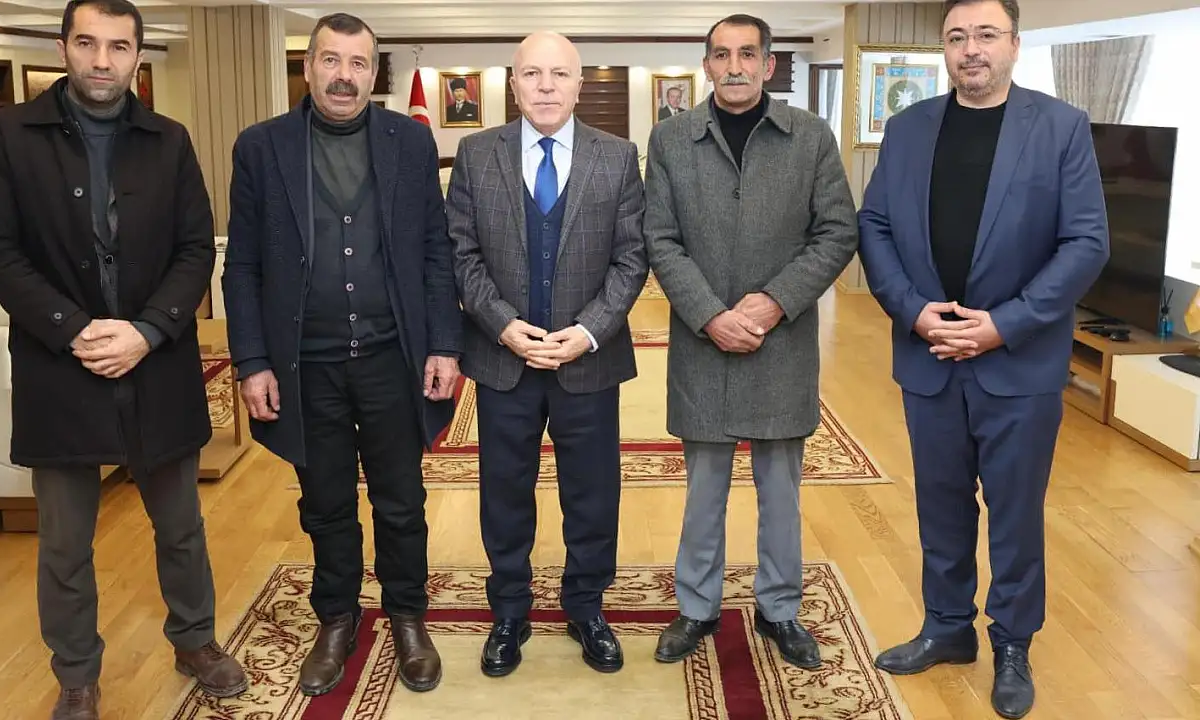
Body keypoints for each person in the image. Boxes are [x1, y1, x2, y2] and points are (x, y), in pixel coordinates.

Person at [0, 1, 246, 717]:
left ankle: (195, 639)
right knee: (65, 541)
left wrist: (148, 331)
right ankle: (77, 676)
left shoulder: (169, 139)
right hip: (60, 366)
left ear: (137, 56)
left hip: (157, 363)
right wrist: (74, 329)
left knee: (180, 525)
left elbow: (195, 249)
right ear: (63, 47)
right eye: (87, 43)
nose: (102, 60)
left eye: (118, 46)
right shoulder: (8, 135)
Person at [856, 1, 1109, 717]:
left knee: (1014, 511)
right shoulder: (908, 128)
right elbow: (874, 224)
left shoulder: (1060, 128)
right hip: (930, 352)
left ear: (1015, 45)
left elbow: (1086, 242)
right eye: (957, 36)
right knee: (938, 502)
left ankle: (1013, 643)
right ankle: (947, 628)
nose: (971, 49)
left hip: (1018, 362)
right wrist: (912, 310)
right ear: (944, 48)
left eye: (987, 35)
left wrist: (1005, 325)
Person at [222, 12, 462, 696]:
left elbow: (435, 250)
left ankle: (407, 615)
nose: (344, 76)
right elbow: (242, 265)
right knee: (325, 502)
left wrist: (445, 342)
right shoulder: (261, 147)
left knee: (401, 500)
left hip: (391, 357)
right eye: (331, 60)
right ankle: (336, 619)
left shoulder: (409, 143)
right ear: (308, 67)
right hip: (306, 363)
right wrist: (252, 360)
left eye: (359, 63)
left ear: (374, 72)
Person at [644, 14, 858, 670]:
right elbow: (659, 238)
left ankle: (780, 610)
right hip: (703, 345)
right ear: (706, 65)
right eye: (721, 55)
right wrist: (710, 314)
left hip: (781, 345)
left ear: (768, 65)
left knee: (781, 491)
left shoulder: (810, 137)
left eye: (747, 54)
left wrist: (774, 302)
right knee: (703, 490)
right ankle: (696, 607)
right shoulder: (671, 139)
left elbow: (837, 231)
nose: (733, 66)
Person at [446, 31, 647, 677]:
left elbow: (631, 259)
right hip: (504, 361)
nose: (546, 86)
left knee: (593, 495)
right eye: (532, 74)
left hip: (588, 360)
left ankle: (586, 607)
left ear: (579, 84)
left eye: (559, 74)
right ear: (514, 84)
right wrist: (502, 325)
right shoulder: (476, 155)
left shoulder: (618, 157)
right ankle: (510, 611)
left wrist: (588, 331)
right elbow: (461, 254)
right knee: (505, 494)